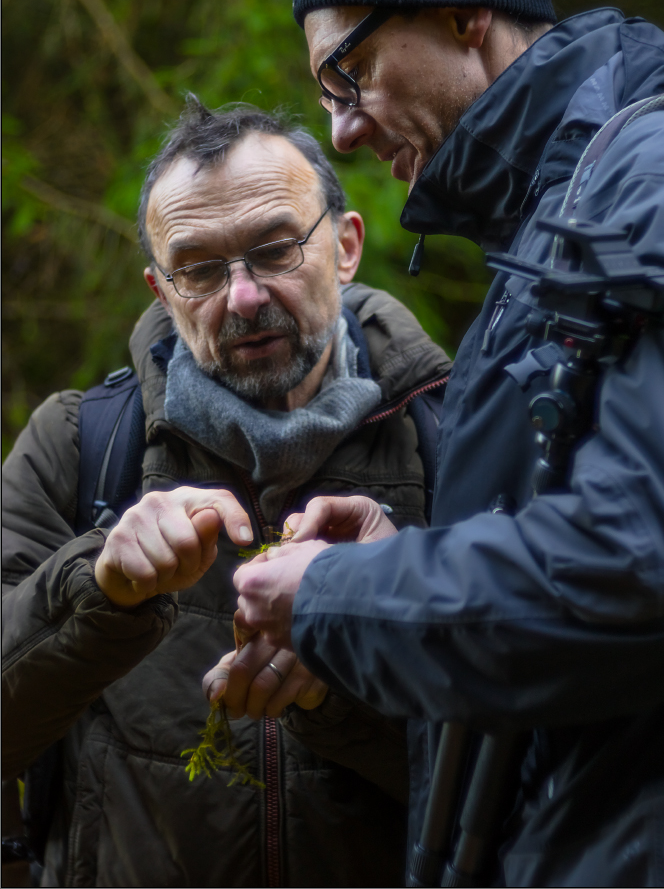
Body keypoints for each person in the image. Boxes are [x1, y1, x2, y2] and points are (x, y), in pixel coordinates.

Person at [224, 0, 664, 888]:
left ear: (459, 10)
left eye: (347, 74)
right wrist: (406, 550)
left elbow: (650, 581)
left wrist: (347, 591)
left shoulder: (657, 185)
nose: (342, 130)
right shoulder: (559, 224)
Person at [1, 98, 451, 888]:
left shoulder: (455, 437)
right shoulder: (79, 446)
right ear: (160, 289)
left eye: (275, 250)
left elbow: (546, 763)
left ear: (345, 247)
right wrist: (98, 591)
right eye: (201, 268)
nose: (242, 297)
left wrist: (351, 671)